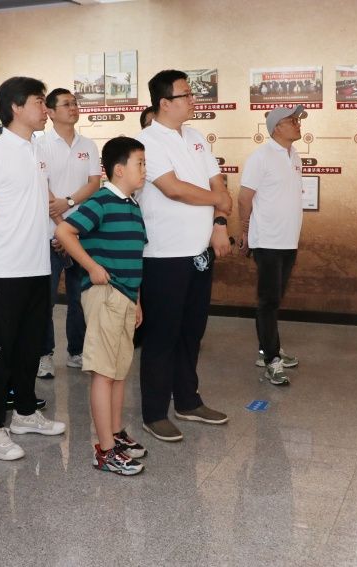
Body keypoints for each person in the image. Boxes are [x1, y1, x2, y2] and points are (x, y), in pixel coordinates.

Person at [0, 76, 66, 461]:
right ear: (16, 108)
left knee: (29, 347)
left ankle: (25, 413)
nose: (45, 109)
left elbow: (39, 200)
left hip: (37, 266)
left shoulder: (36, 149)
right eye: (39, 102)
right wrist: (9, 232)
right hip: (4, 272)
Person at [135, 70, 233, 443]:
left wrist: (220, 222)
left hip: (199, 252)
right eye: (186, 95)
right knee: (162, 336)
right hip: (164, 255)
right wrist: (218, 200)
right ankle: (154, 412)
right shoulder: (146, 142)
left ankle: (188, 401)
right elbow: (173, 189)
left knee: (192, 332)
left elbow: (217, 182)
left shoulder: (195, 137)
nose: (194, 100)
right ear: (165, 103)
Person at [55, 136, 148, 475]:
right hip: (106, 295)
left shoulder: (132, 205)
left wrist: (136, 300)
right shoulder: (101, 201)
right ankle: (105, 450)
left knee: (119, 371)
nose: (145, 170)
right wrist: (91, 267)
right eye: (140, 164)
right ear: (119, 170)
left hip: (125, 297)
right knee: (104, 373)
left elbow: (132, 257)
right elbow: (65, 232)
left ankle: (116, 433)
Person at [34, 87, 101, 379]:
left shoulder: (88, 144)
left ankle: (77, 351)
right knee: (45, 300)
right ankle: (44, 354)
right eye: (66, 104)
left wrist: (70, 203)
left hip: (82, 233)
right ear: (50, 112)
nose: (73, 108)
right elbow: (42, 188)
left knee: (80, 297)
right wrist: (63, 228)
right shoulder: (39, 145)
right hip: (49, 234)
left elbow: (94, 183)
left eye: (75, 103)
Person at [238, 106, 307, 385]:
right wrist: (244, 232)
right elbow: (244, 198)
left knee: (274, 299)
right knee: (268, 301)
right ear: (277, 126)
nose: (298, 124)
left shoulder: (294, 155)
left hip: (288, 240)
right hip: (267, 240)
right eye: (292, 120)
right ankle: (271, 360)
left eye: (297, 120)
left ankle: (268, 349)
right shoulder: (261, 156)